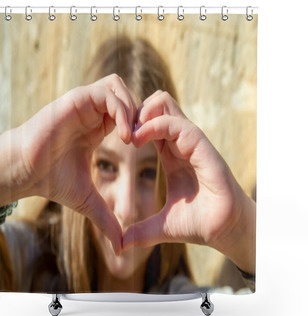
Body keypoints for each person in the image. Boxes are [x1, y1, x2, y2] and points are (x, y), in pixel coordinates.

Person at [0, 36, 256, 294]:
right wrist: (17, 164)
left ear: (167, 188)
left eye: (148, 173)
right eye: (106, 166)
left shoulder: (185, 305)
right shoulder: (21, 262)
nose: (126, 209)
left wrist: (240, 227)